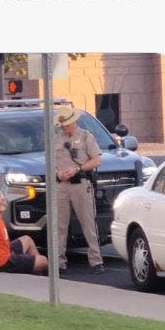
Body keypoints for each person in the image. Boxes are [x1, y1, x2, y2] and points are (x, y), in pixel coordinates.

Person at [53, 103, 104, 274]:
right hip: (61, 186)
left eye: (67, 123)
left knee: (88, 223)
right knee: (59, 226)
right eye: (62, 124)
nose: (65, 127)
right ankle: (59, 262)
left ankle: (96, 260)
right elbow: (49, 162)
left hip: (80, 184)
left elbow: (96, 160)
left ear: (74, 121)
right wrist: (57, 173)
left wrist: (78, 168)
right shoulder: (56, 140)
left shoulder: (85, 137)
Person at [0, 190, 48, 274]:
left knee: (27, 239)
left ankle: (34, 271)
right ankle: (33, 271)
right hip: (1, 262)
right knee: (43, 261)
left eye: (2, 200)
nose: (1, 203)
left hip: (5, 252)